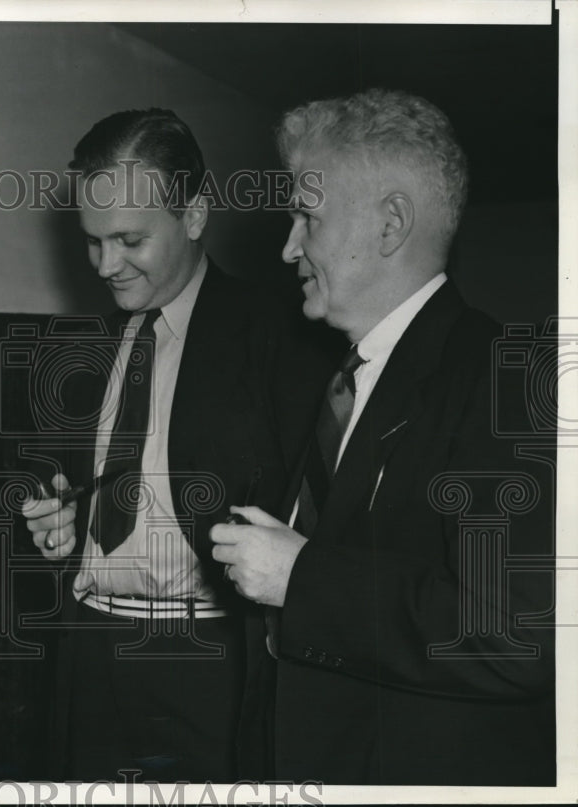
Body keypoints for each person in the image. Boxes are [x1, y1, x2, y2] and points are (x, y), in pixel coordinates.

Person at [211, 89, 555, 785]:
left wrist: (301, 577)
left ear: (390, 223)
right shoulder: (337, 374)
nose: (287, 247)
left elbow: (512, 637)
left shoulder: (506, 378)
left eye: (307, 216)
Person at [21, 108, 313, 782]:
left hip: (208, 657)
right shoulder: (81, 345)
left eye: (129, 239)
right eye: (92, 242)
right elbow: (70, 493)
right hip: (89, 648)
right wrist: (60, 525)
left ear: (195, 214)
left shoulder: (279, 334)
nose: (105, 265)